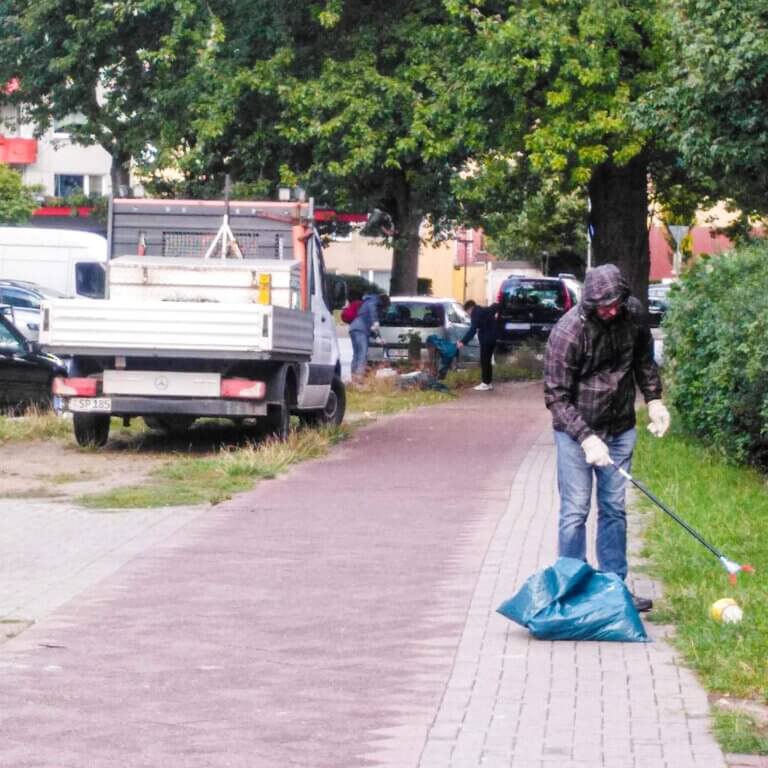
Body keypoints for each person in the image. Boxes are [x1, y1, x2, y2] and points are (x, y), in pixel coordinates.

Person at [543, 264, 670, 612]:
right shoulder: (569, 332)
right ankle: (570, 592)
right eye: (603, 305)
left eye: (616, 303)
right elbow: (555, 396)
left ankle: (614, 588)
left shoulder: (632, 316)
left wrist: (655, 400)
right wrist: (585, 437)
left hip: (620, 428)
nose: (611, 310)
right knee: (575, 510)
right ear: (590, 302)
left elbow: (643, 361)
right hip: (576, 434)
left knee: (614, 509)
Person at [457, 299, 499, 391]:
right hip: (493, 338)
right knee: (487, 361)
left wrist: (463, 342)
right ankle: (488, 383)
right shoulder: (485, 310)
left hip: (485, 339)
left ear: (470, 308)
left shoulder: (475, 314)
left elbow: (472, 330)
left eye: (467, 312)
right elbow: (495, 306)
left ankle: (485, 383)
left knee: (484, 361)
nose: (468, 314)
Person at [349, 292, 390, 381]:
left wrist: (377, 337)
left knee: (357, 354)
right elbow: (372, 315)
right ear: (383, 303)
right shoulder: (373, 301)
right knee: (362, 354)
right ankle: (359, 378)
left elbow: (370, 325)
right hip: (360, 330)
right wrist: (375, 321)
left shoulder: (368, 301)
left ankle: (354, 377)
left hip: (354, 328)